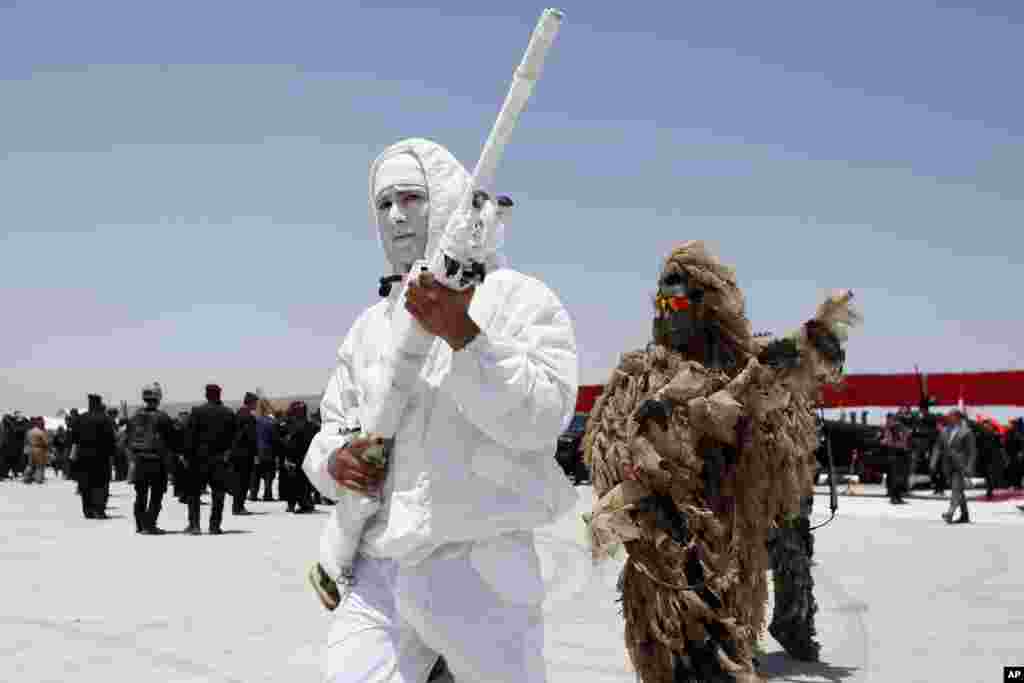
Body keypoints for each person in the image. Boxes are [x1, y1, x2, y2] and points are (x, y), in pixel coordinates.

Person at [303, 138, 578, 683]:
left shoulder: (518, 300)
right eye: (383, 204)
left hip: (480, 569)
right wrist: (337, 460)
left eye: (410, 197)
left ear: (448, 199)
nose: (396, 215)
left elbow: (543, 417)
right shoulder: (368, 328)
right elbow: (331, 429)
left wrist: (464, 337)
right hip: (379, 572)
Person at [584, 242, 859, 681]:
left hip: (729, 558)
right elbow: (606, 447)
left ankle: (793, 622)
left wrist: (804, 362)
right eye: (660, 301)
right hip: (662, 564)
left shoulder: (741, 366)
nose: (666, 310)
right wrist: (641, 471)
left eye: (675, 300)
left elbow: (778, 436)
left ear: (706, 304)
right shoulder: (638, 372)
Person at [184, 384, 237, 535]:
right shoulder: (228, 413)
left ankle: (194, 525)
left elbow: (190, 436)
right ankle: (214, 526)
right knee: (218, 494)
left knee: (194, 494)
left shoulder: (197, 412)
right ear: (219, 395)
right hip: (219, 459)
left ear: (207, 395)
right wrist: (228, 454)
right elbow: (234, 437)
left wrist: (187, 457)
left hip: (198, 460)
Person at [125, 383, 176, 534]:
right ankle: (150, 525)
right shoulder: (163, 417)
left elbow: (127, 439)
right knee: (156, 495)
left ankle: (140, 525)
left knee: (140, 495)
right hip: (157, 461)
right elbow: (172, 439)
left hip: (139, 460)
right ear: (158, 397)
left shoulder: (135, 417)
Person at [71, 394, 117, 519]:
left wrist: (74, 457)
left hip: (83, 456)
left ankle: (88, 510)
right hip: (101, 456)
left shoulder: (81, 418)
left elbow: (73, 439)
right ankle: (99, 510)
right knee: (101, 483)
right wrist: (112, 454)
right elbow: (111, 440)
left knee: (86, 483)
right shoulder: (105, 419)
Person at [931, 409, 977, 524]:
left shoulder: (966, 432)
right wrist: (933, 461)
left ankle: (950, 513)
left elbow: (972, 452)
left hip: (960, 465)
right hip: (947, 465)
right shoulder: (945, 431)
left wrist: (969, 467)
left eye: (950, 416)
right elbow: (937, 446)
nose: (947, 418)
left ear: (957, 417)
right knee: (958, 490)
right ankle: (965, 515)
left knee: (956, 489)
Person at [280, 401, 317, 514]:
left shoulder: (291, 426)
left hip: (296, 458)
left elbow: (286, 442)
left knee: (294, 483)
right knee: (302, 483)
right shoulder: (311, 426)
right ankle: (305, 503)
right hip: (304, 458)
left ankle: (297, 504)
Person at [230, 392, 259, 516]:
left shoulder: (237, 414)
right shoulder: (249, 417)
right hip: (245, 454)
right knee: (244, 481)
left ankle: (237, 506)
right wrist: (256, 454)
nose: (256, 405)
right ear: (251, 402)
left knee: (238, 480)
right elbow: (252, 438)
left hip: (236, 452)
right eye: (255, 403)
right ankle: (239, 507)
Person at [249, 398, 278, 502]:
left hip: (257, 451)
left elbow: (251, 437)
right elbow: (275, 439)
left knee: (255, 474)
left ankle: (253, 494)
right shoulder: (272, 422)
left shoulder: (254, 421)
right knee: (269, 474)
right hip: (269, 451)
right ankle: (268, 494)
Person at [881, 413, 912, 504]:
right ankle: (895, 497)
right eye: (887, 420)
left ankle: (896, 496)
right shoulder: (891, 428)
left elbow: (902, 439)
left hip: (899, 453)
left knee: (897, 476)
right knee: (895, 476)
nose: (887, 422)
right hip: (895, 453)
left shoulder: (897, 428)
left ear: (893, 420)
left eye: (889, 420)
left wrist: (887, 442)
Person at [22, 417, 50, 484]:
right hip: (39, 449)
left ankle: (26, 478)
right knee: (39, 465)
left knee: (30, 465)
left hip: (30, 449)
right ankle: (39, 479)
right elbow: (46, 442)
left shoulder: (29, 431)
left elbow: (26, 441)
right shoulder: (41, 432)